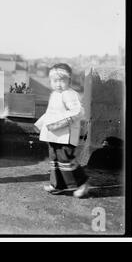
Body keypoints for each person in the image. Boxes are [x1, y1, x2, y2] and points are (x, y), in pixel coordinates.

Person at [34, 63, 89, 198]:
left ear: (69, 81)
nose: (58, 84)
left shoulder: (70, 94)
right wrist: (40, 124)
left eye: (62, 80)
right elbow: (49, 113)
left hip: (65, 134)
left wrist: (63, 121)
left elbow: (78, 111)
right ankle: (58, 185)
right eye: (55, 81)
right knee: (55, 158)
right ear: (51, 81)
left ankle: (82, 183)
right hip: (53, 133)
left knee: (66, 159)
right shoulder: (54, 94)